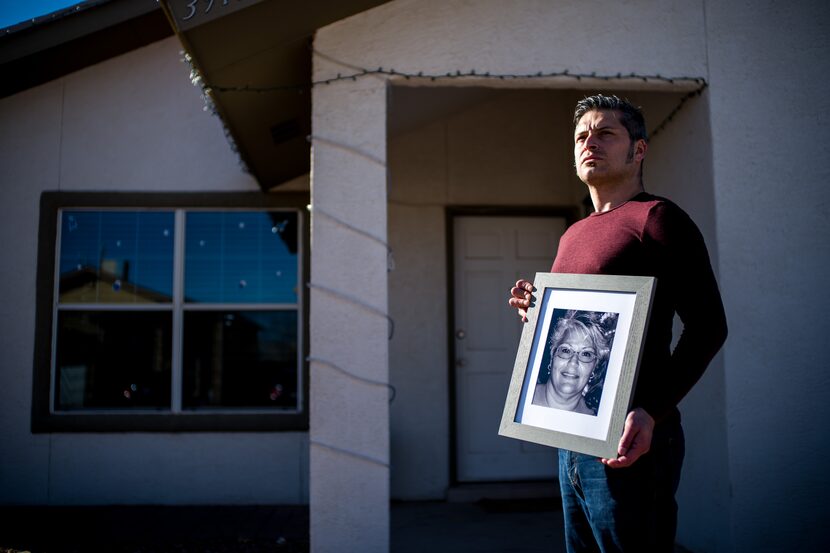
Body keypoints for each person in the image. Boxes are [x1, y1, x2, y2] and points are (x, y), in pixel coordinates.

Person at [508, 94, 727, 552]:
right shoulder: (575, 233)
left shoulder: (658, 220)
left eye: (606, 133)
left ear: (639, 149)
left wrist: (652, 412)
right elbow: (579, 328)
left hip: (634, 439)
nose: (591, 142)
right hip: (571, 438)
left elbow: (708, 327)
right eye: (581, 136)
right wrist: (539, 317)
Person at [532, 310, 615, 416]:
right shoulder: (521, 399)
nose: (573, 362)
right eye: (566, 350)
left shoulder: (597, 423)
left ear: (594, 367)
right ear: (553, 355)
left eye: (586, 354)